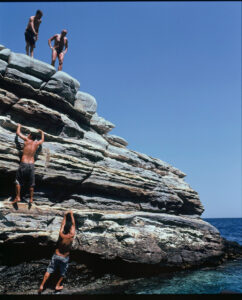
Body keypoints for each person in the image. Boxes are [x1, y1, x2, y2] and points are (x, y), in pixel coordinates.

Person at [38, 210, 76, 293]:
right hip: (64, 257)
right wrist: (71, 214)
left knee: (49, 270)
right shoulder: (71, 235)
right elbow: (73, 224)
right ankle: (57, 285)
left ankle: (42, 285)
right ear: (70, 229)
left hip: (56, 255)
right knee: (63, 272)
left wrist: (65, 215)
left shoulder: (61, 234)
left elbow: (62, 225)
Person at [11, 124, 44, 204]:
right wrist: (42, 132)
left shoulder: (26, 140)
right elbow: (42, 140)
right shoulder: (36, 143)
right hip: (32, 165)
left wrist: (19, 126)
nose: (27, 135)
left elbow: (18, 133)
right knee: (31, 183)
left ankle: (18, 197)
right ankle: (31, 199)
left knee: (18, 181)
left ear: (30, 136)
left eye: (28, 134)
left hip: (24, 164)